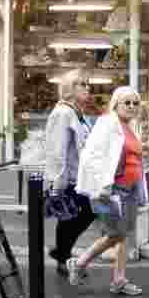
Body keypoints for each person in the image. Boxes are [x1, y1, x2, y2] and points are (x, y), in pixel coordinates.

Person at [68, 86, 148, 296]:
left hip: (130, 189)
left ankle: (119, 280)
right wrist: (101, 184)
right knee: (116, 233)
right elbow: (90, 156)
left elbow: (136, 158)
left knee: (124, 236)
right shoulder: (107, 124)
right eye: (127, 102)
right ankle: (79, 263)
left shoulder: (132, 126)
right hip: (113, 189)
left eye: (135, 103)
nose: (131, 106)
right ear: (116, 104)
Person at [43, 70, 95, 277]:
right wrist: (58, 183)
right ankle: (63, 258)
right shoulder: (63, 113)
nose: (87, 87)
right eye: (82, 84)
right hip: (68, 178)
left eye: (87, 84)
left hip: (80, 177)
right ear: (70, 89)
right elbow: (58, 150)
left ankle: (62, 254)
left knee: (77, 216)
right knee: (73, 216)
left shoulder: (76, 113)